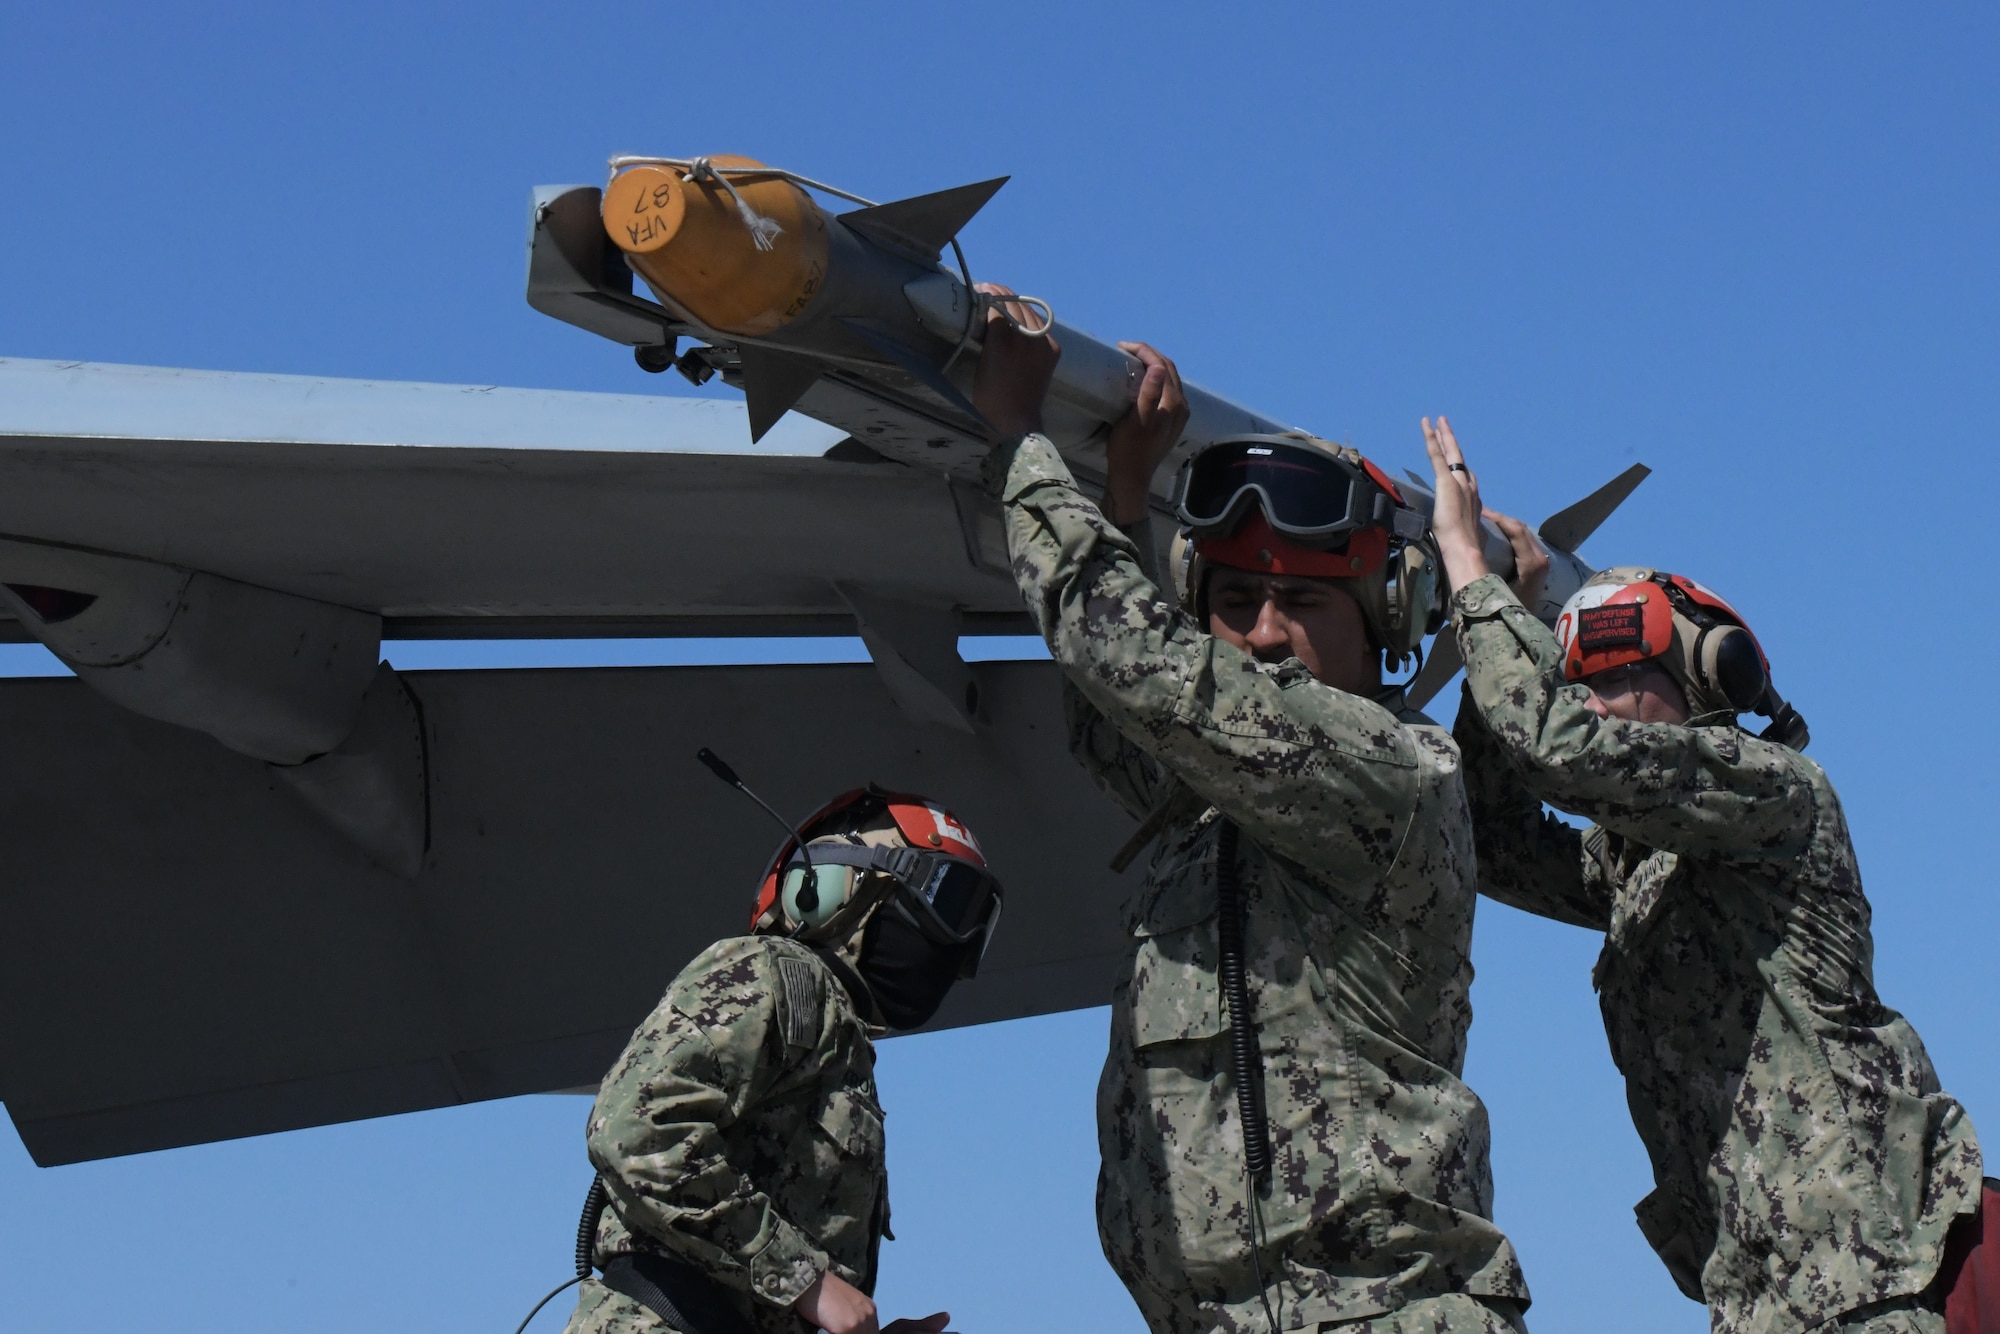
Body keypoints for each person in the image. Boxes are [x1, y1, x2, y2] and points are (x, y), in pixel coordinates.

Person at [970, 289, 1533, 1334]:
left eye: (1305, 604)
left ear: (1384, 628)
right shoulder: (1220, 809)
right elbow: (1114, 723)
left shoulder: (1384, 770)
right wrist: (1127, 491)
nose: (1264, 636)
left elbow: (1130, 661)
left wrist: (1017, 439)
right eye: (1234, 605)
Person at [1420, 415, 1989, 1334]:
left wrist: (1470, 577)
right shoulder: (1639, 865)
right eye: (1578, 682)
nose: (1591, 701)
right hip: (1760, 1302)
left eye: (1614, 675)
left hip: (1871, 1290)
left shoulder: (1773, 796)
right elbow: (1485, 832)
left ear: (1704, 676)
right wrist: (1519, 622)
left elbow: (1558, 751)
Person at [562, 783, 1005, 1334]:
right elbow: (637, 1130)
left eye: (977, 922)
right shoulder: (776, 973)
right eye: (948, 900)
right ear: (824, 889)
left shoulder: (840, 1046)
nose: (956, 946)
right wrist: (806, 1280)